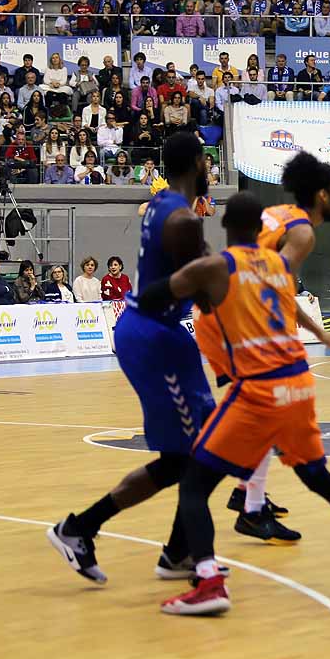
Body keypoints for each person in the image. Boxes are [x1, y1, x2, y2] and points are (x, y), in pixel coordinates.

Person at [134, 191, 330, 614]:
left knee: (194, 482)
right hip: (299, 386)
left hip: (260, 389)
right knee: (318, 477)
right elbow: (290, 306)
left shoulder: (218, 266)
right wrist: (320, 334)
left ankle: (210, 581)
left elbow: (154, 295)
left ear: (227, 225)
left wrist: (169, 255)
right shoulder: (280, 265)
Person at [47, 133, 217, 585]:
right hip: (153, 336)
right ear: (195, 164)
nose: (210, 168)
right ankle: (191, 556)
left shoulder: (164, 205)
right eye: (207, 160)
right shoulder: (180, 217)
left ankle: (91, 530)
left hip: (160, 334)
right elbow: (207, 289)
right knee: (197, 455)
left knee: (192, 453)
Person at [221, 153, 330, 542]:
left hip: (227, 299)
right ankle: (247, 503)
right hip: (240, 313)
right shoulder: (303, 233)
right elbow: (271, 283)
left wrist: (316, 332)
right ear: (322, 194)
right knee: (273, 406)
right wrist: (311, 330)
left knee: (268, 411)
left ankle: (247, 494)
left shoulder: (278, 212)